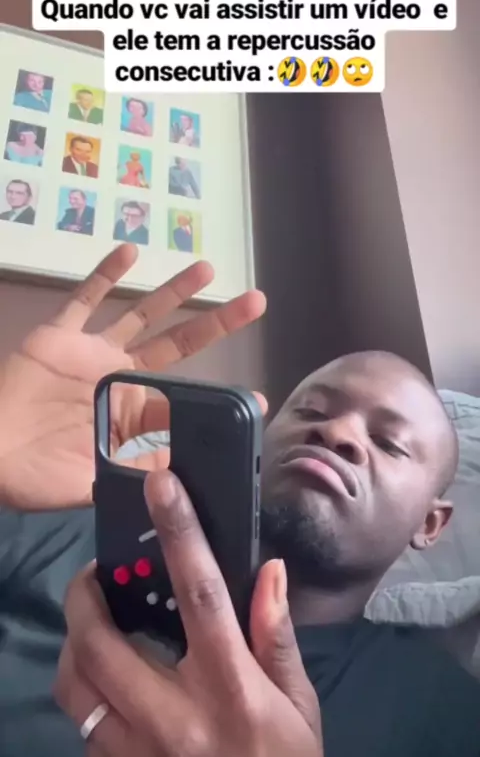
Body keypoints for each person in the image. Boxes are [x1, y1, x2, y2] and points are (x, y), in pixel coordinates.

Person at [0, 248, 479, 756]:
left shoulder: (440, 711)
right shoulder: (78, 530)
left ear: (431, 523)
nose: (337, 431)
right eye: (312, 411)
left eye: (388, 442)